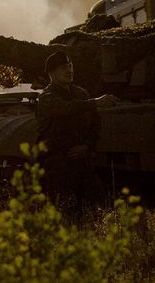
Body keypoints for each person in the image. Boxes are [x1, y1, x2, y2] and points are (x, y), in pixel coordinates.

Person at [35, 50, 120, 217]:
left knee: (98, 206)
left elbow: (94, 124)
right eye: (63, 68)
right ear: (51, 73)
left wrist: (87, 145)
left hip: (82, 160)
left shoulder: (81, 93)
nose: (69, 71)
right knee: (63, 209)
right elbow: (63, 109)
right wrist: (94, 102)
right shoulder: (46, 97)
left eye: (70, 66)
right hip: (58, 162)